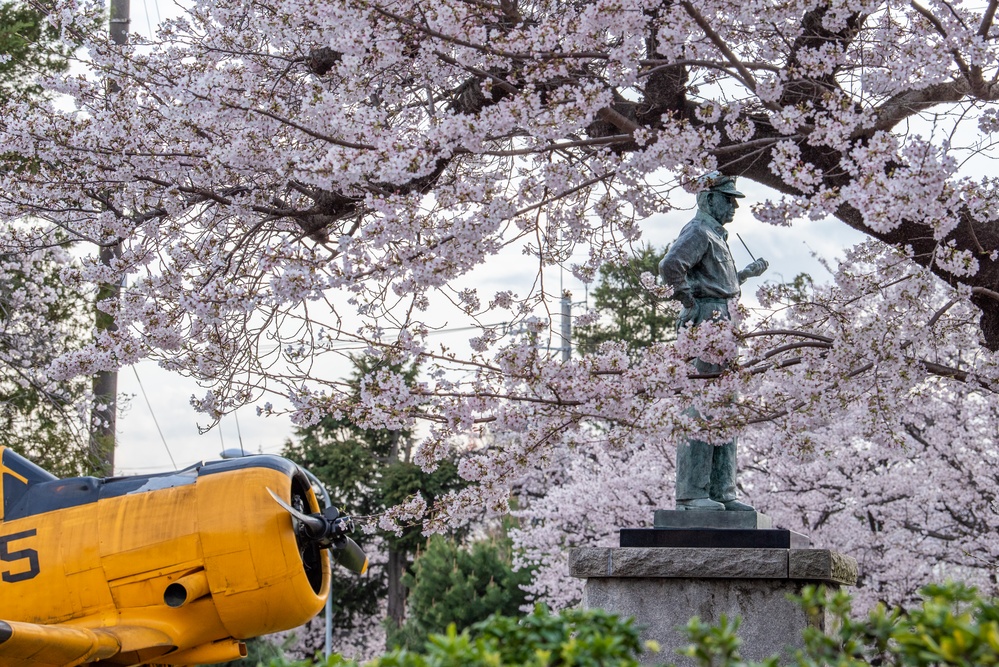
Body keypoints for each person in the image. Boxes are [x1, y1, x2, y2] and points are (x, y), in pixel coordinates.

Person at [658, 172, 768, 511]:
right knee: (703, 405)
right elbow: (670, 266)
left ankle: (723, 490)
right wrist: (690, 303)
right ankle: (693, 494)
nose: (733, 205)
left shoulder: (718, 236)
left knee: (727, 407)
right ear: (707, 199)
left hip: (725, 319)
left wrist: (745, 275)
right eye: (727, 198)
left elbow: (719, 282)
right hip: (708, 321)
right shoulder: (698, 231)